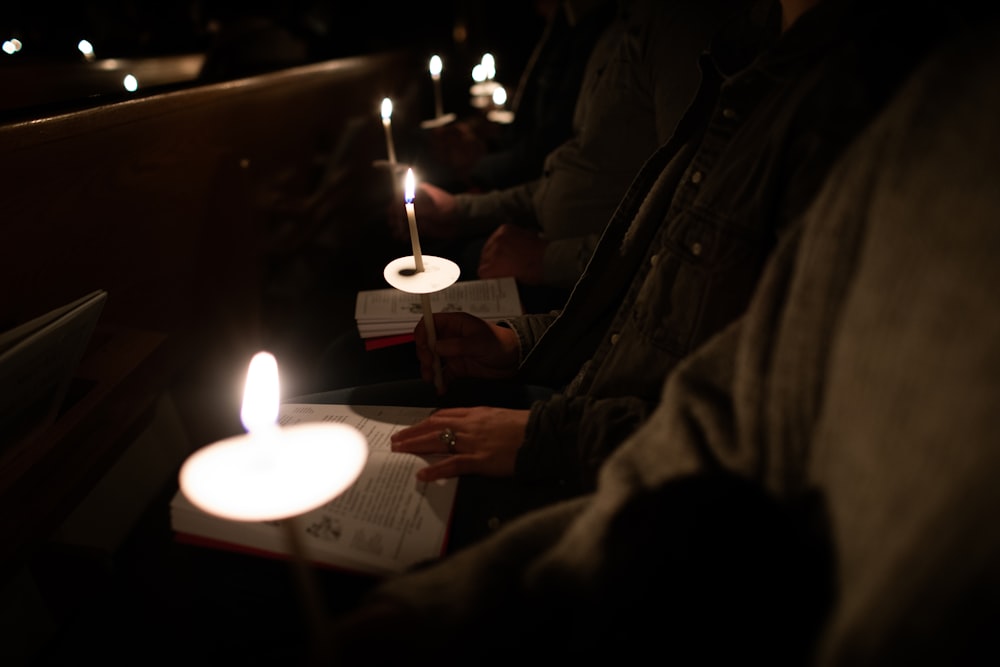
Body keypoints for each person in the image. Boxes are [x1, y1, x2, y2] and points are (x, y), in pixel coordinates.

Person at [323, 11, 1000, 664]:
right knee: (337, 387)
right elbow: (640, 299)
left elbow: (741, 431)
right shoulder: (744, 65)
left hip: (591, 457)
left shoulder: (876, 99)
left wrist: (544, 433)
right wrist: (512, 340)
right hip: (569, 405)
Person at [398, 0, 743, 311]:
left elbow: (682, 228)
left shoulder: (682, 29)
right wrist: (461, 209)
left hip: (586, 291)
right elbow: (567, 171)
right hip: (549, 253)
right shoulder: (615, 29)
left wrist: (546, 260)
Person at [419, 0, 618, 193]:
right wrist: (483, 134)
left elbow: (551, 141)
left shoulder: (588, 26)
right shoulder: (559, 20)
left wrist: (478, 166)